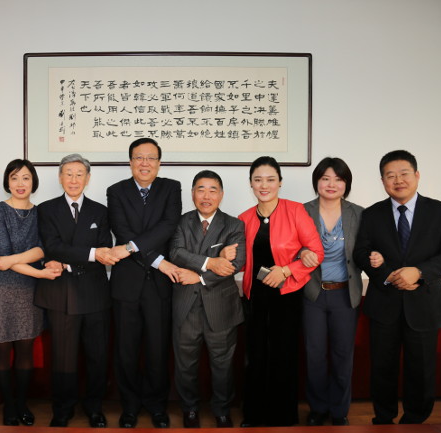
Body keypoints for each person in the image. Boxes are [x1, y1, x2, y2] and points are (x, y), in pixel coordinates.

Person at [353, 150, 441, 424]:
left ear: (416, 175)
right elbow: (360, 252)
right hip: (385, 303)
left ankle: (415, 421)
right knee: (382, 367)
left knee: (422, 368)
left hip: (424, 303)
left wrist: (420, 272)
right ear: (383, 181)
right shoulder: (372, 214)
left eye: (403, 174)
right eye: (390, 176)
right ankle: (383, 418)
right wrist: (387, 274)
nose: (398, 180)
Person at [238, 156, 323, 427]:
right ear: (251, 184)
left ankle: (283, 417)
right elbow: (240, 260)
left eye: (270, 179)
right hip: (254, 298)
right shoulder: (244, 218)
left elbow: (316, 251)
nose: (264, 185)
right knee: (255, 356)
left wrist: (286, 270)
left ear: (280, 183)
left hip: (286, 296)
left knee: (283, 356)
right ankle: (254, 415)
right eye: (258, 179)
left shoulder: (295, 211)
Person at [35, 154, 117, 428]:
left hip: (94, 293)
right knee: (63, 357)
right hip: (61, 292)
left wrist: (82, 256)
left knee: (97, 356)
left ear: (88, 178)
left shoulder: (100, 211)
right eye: (68, 173)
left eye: (79, 174)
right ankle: (63, 408)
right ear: (60, 177)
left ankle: (94, 407)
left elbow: (106, 247)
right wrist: (91, 254)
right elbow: (53, 246)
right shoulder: (46, 210)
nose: (73, 179)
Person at [106, 137, 182, 428]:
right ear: (130, 162)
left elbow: (167, 227)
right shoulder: (116, 191)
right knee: (125, 350)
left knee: (157, 350)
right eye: (139, 157)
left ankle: (157, 406)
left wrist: (130, 247)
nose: (145, 163)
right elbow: (121, 231)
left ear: (159, 163)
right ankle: (130, 406)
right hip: (127, 285)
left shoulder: (171, 188)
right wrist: (160, 262)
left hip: (159, 288)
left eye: (151, 158)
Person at [0, 159, 62, 426]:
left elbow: (42, 248)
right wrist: (38, 271)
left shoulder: (42, 213)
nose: (20, 183)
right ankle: (8, 405)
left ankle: (22, 402)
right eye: (14, 178)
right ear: (7, 182)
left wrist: (15, 261)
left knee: (26, 350)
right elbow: (1, 254)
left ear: (33, 182)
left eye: (25, 178)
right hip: (0, 289)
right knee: (2, 352)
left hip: (28, 291)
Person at [169, 170, 245, 428]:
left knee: (222, 364)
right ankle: (190, 409)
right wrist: (213, 260)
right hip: (186, 306)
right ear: (192, 194)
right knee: (185, 364)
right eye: (201, 189)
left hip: (220, 306)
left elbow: (236, 263)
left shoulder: (234, 225)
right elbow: (176, 253)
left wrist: (199, 276)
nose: (206, 195)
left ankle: (222, 409)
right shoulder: (180, 222)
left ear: (221, 195)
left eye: (213, 190)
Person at [300, 157, 363, 426]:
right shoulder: (301, 211)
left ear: (346, 184)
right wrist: (301, 252)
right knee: (314, 355)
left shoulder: (359, 213)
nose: (331, 184)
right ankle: (317, 408)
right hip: (312, 293)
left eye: (338, 179)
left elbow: (366, 249)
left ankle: (339, 411)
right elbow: (287, 247)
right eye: (325, 178)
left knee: (342, 355)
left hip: (344, 295)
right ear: (317, 181)